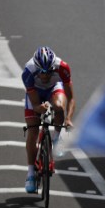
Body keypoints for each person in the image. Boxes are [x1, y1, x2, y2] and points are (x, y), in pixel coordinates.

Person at [22, 46, 76, 193]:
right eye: (41, 72)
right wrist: (40, 108)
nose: (45, 75)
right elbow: (35, 104)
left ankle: (57, 138)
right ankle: (30, 174)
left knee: (59, 106)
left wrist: (68, 119)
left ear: (54, 67)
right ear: (36, 68)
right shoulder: (28, 72)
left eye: (49, 71)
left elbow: (71, 98)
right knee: (33, 130)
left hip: (54, 88)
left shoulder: (63, 68)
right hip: (35, 92)